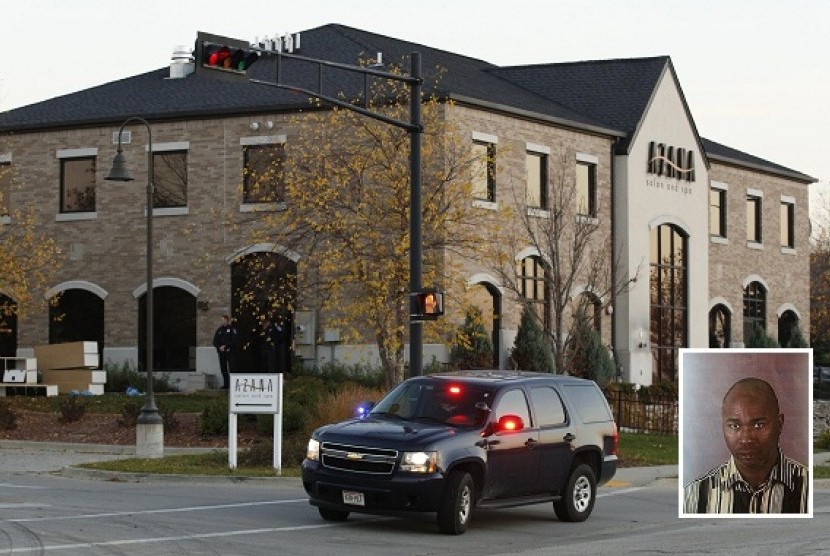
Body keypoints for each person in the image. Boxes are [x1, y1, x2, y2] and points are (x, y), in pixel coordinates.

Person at [683, 377, 809, 514]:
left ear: (779, 424)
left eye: (758, 425)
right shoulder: (693, 497)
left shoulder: (808, 489)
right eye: (734, 426)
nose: (746, 438)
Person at [213, 315, 238, 389]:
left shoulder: (232, 329)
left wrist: (226, 346)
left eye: (223, 320)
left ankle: (233, 385)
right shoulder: (219, 330)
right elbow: (215, 341)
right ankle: (226, 385)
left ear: (227, 320)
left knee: (232, 368)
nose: (221, 321)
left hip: (230, 352)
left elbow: (234, 340)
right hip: (221, 353)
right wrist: (219, 347)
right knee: (223, 369)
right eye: (221, 320)